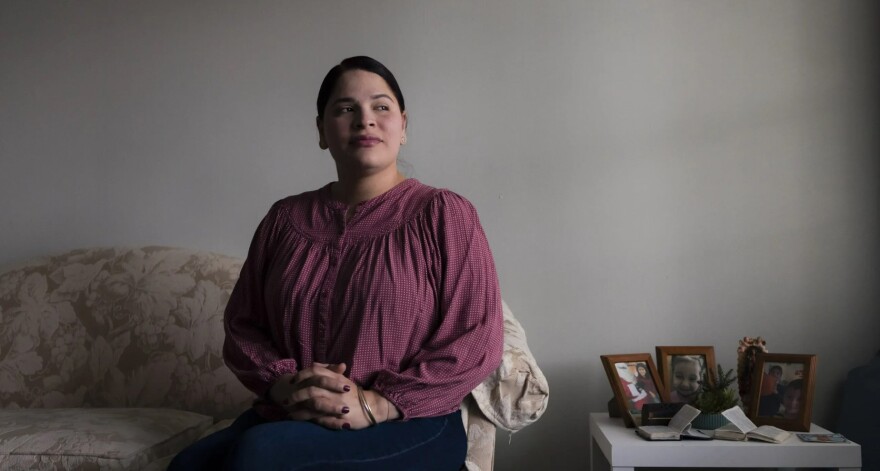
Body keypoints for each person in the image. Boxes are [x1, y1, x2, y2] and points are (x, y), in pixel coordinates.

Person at [168, 56, 504, 471]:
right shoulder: (284, 220)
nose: (366, 120)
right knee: (191, 465)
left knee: (261, 456)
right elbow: (243, 324)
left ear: (404, 125)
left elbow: (475, 337)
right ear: (322, 131)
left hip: (409, 422)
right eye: (345, 109)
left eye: (381, 107)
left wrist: (376, 404)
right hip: (293, 413)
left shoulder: (444, 214)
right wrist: (284, 383)